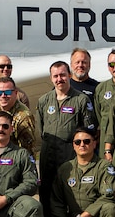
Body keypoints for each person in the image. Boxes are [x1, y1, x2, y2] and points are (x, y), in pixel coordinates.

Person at [35, 60, 96, 189]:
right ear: (51, 78)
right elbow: (41, 129)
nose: (59, 79)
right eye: (55, 76)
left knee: (70, 191)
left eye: (62, 75)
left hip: (70, 154)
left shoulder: (81, 100)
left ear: (69, 75)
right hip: (48, 154)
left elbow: (88, 130)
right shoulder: (44, 101)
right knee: (46, 191)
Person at [0, 80, 37, 155]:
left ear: (15, 93)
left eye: (7, 92)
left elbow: (28, 150)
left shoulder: (24, 117)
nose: (3, 96)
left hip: (12, 156)